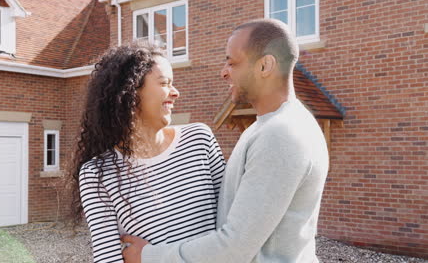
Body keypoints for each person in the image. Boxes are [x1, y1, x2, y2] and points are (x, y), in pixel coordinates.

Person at [122, 18, 329, 263]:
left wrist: (147, 256)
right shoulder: (266, 126)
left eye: (232, 62)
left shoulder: (281, 134)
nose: (223, 72)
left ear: (265, 66)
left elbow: (234, 249)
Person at [68, 43, 225, 263]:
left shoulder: (200, 140)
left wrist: (151, 257)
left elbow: (231, 228)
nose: (175, 92)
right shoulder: (98, 174)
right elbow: (108, 258)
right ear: (131, 93)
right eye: (164, 83)